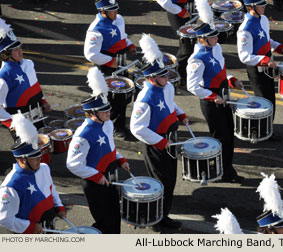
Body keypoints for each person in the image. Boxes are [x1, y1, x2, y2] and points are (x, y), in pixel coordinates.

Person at [130, 34, 189, 232]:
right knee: (162, 183)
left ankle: (162, 215)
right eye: (162, 76)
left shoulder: (167, 86)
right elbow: (137, 128)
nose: (167, 77)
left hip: (170, 140)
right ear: (150, 78)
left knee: (170, 181)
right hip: (157, 145)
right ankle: (157, 220)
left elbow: (170, 103)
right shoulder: (144, 99)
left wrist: (180, 114)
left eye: (166, 74)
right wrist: (160, 142)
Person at [66, 67, 130, 234]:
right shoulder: (83, 134)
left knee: (115, 216)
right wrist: (97, 176)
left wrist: (120, 159)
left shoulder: (107, 123)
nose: (108, 112)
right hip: (95, 181)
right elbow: (73, 164)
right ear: (92, 113)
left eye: (108, 109)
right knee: (104, 221)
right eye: (104, 111)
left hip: (110, 175)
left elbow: (109, 146)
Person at [186, 0, 244, 184]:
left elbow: (220, 70)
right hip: (211, 99)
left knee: (229, 135)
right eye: (213, 37)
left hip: (223, 93)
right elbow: (192, 86)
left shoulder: (216, 48)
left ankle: (227, 168)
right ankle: (221, 171)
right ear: (203, 39)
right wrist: (212, 97)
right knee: (221, 137)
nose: (217, 38)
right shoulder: (196, 59)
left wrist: (230, 79)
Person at [0, 112, 66, 234]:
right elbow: (4, 218)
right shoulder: (11, 186)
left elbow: (51, 189)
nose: (39, 159)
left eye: (39, 155)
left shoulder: (44, 168)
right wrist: (30, 227)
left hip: (48, 226)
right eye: (34, 157)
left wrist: (59, 206)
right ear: (21, 160)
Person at [84, 0, 137, 140]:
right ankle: (106, 126)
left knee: (123, 96)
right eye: (112, 11)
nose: (116, 13)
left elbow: (122, 36)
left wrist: (129, 44)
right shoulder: (95, 30)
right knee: (111, 99)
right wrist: (109, 61)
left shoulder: (118, 19)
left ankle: (119, 125)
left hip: (120, 63)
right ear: (103, 12)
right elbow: (90, 54)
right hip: (107, 67)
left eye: (116, 9)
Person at [237, 0, 283, 120]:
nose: (264, 6)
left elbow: (266, 40)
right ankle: (264, 132)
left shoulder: (263, 19)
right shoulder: (245, 29)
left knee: (270, 98)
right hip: (257, 68)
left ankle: (269, 128)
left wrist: (279, 47)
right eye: (260, 5)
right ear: (251, 7)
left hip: (267, 64)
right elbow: (244, 56)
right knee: (263, 101)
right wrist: (265, 60)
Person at [0, 18, 51, 139]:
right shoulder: (3, 77)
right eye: (16, 50)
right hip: (21, 125)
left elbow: (35, 85)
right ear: (4, 55)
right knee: (29, 156)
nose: (20, 52)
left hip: (38, 117)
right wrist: (12, 123)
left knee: (43, 151)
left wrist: (43, 101)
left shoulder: (28, 64)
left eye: (20, 48)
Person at [156, 0, 194, 89]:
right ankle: (177, 74)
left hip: (190, 6)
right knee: (186, 46)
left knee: (192, 43)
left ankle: (185, 73)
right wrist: (180, 11)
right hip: (176, 8)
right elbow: (164, 2)